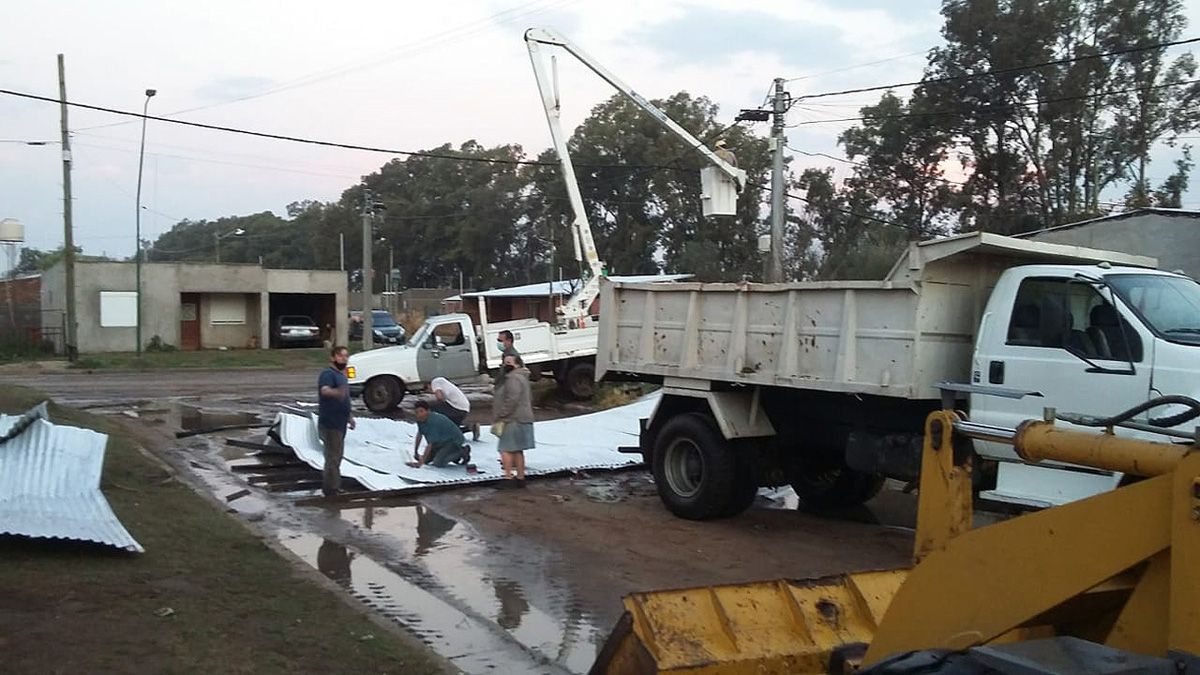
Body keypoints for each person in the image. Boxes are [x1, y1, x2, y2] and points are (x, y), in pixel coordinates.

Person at [317, 345, 356, 497]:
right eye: (340, 356)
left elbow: (345, 399)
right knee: (332, 457)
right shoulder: (328, 374)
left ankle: (334, 486)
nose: (344, 359)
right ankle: (331, 490)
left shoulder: (342, 375)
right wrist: (336, 392)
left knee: (337, 456)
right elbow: (324, 390)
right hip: (330, 422)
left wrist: (349, 416)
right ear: (332, 358)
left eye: (346, 356)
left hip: (341, 422)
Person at [494, 353, 535, 487]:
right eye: (504, 362)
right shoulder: (522, 377)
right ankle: (520, 478)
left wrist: (502, 414)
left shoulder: (513, 378)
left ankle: (508, 477)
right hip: (522, 417)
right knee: (517, 450)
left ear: (517, 364)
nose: (505, 365)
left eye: (508, 362)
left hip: (512, 419)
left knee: (505, 449)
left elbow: (512, 399)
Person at [407, 399, 470, 468]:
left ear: (428, 411)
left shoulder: (433, 421)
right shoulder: (421, 420)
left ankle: (462, 452)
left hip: (453, 441)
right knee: (425, 460)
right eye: (417, 412)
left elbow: (430, 445)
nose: (419, 414)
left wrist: (419, 464)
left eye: (421, 411)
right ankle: (449, 454)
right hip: (440, 441)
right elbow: (420, 434)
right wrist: (416, 451)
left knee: (438, 462)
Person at [427, 376, 479, 440]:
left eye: (430, 391)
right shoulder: (444, 383)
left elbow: (439, 397)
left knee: (431, 408)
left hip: (457, 407)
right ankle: (471, 427)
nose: (433, 392)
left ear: (428, 386)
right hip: (464, 409)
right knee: (451, 431)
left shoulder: (434, 382)